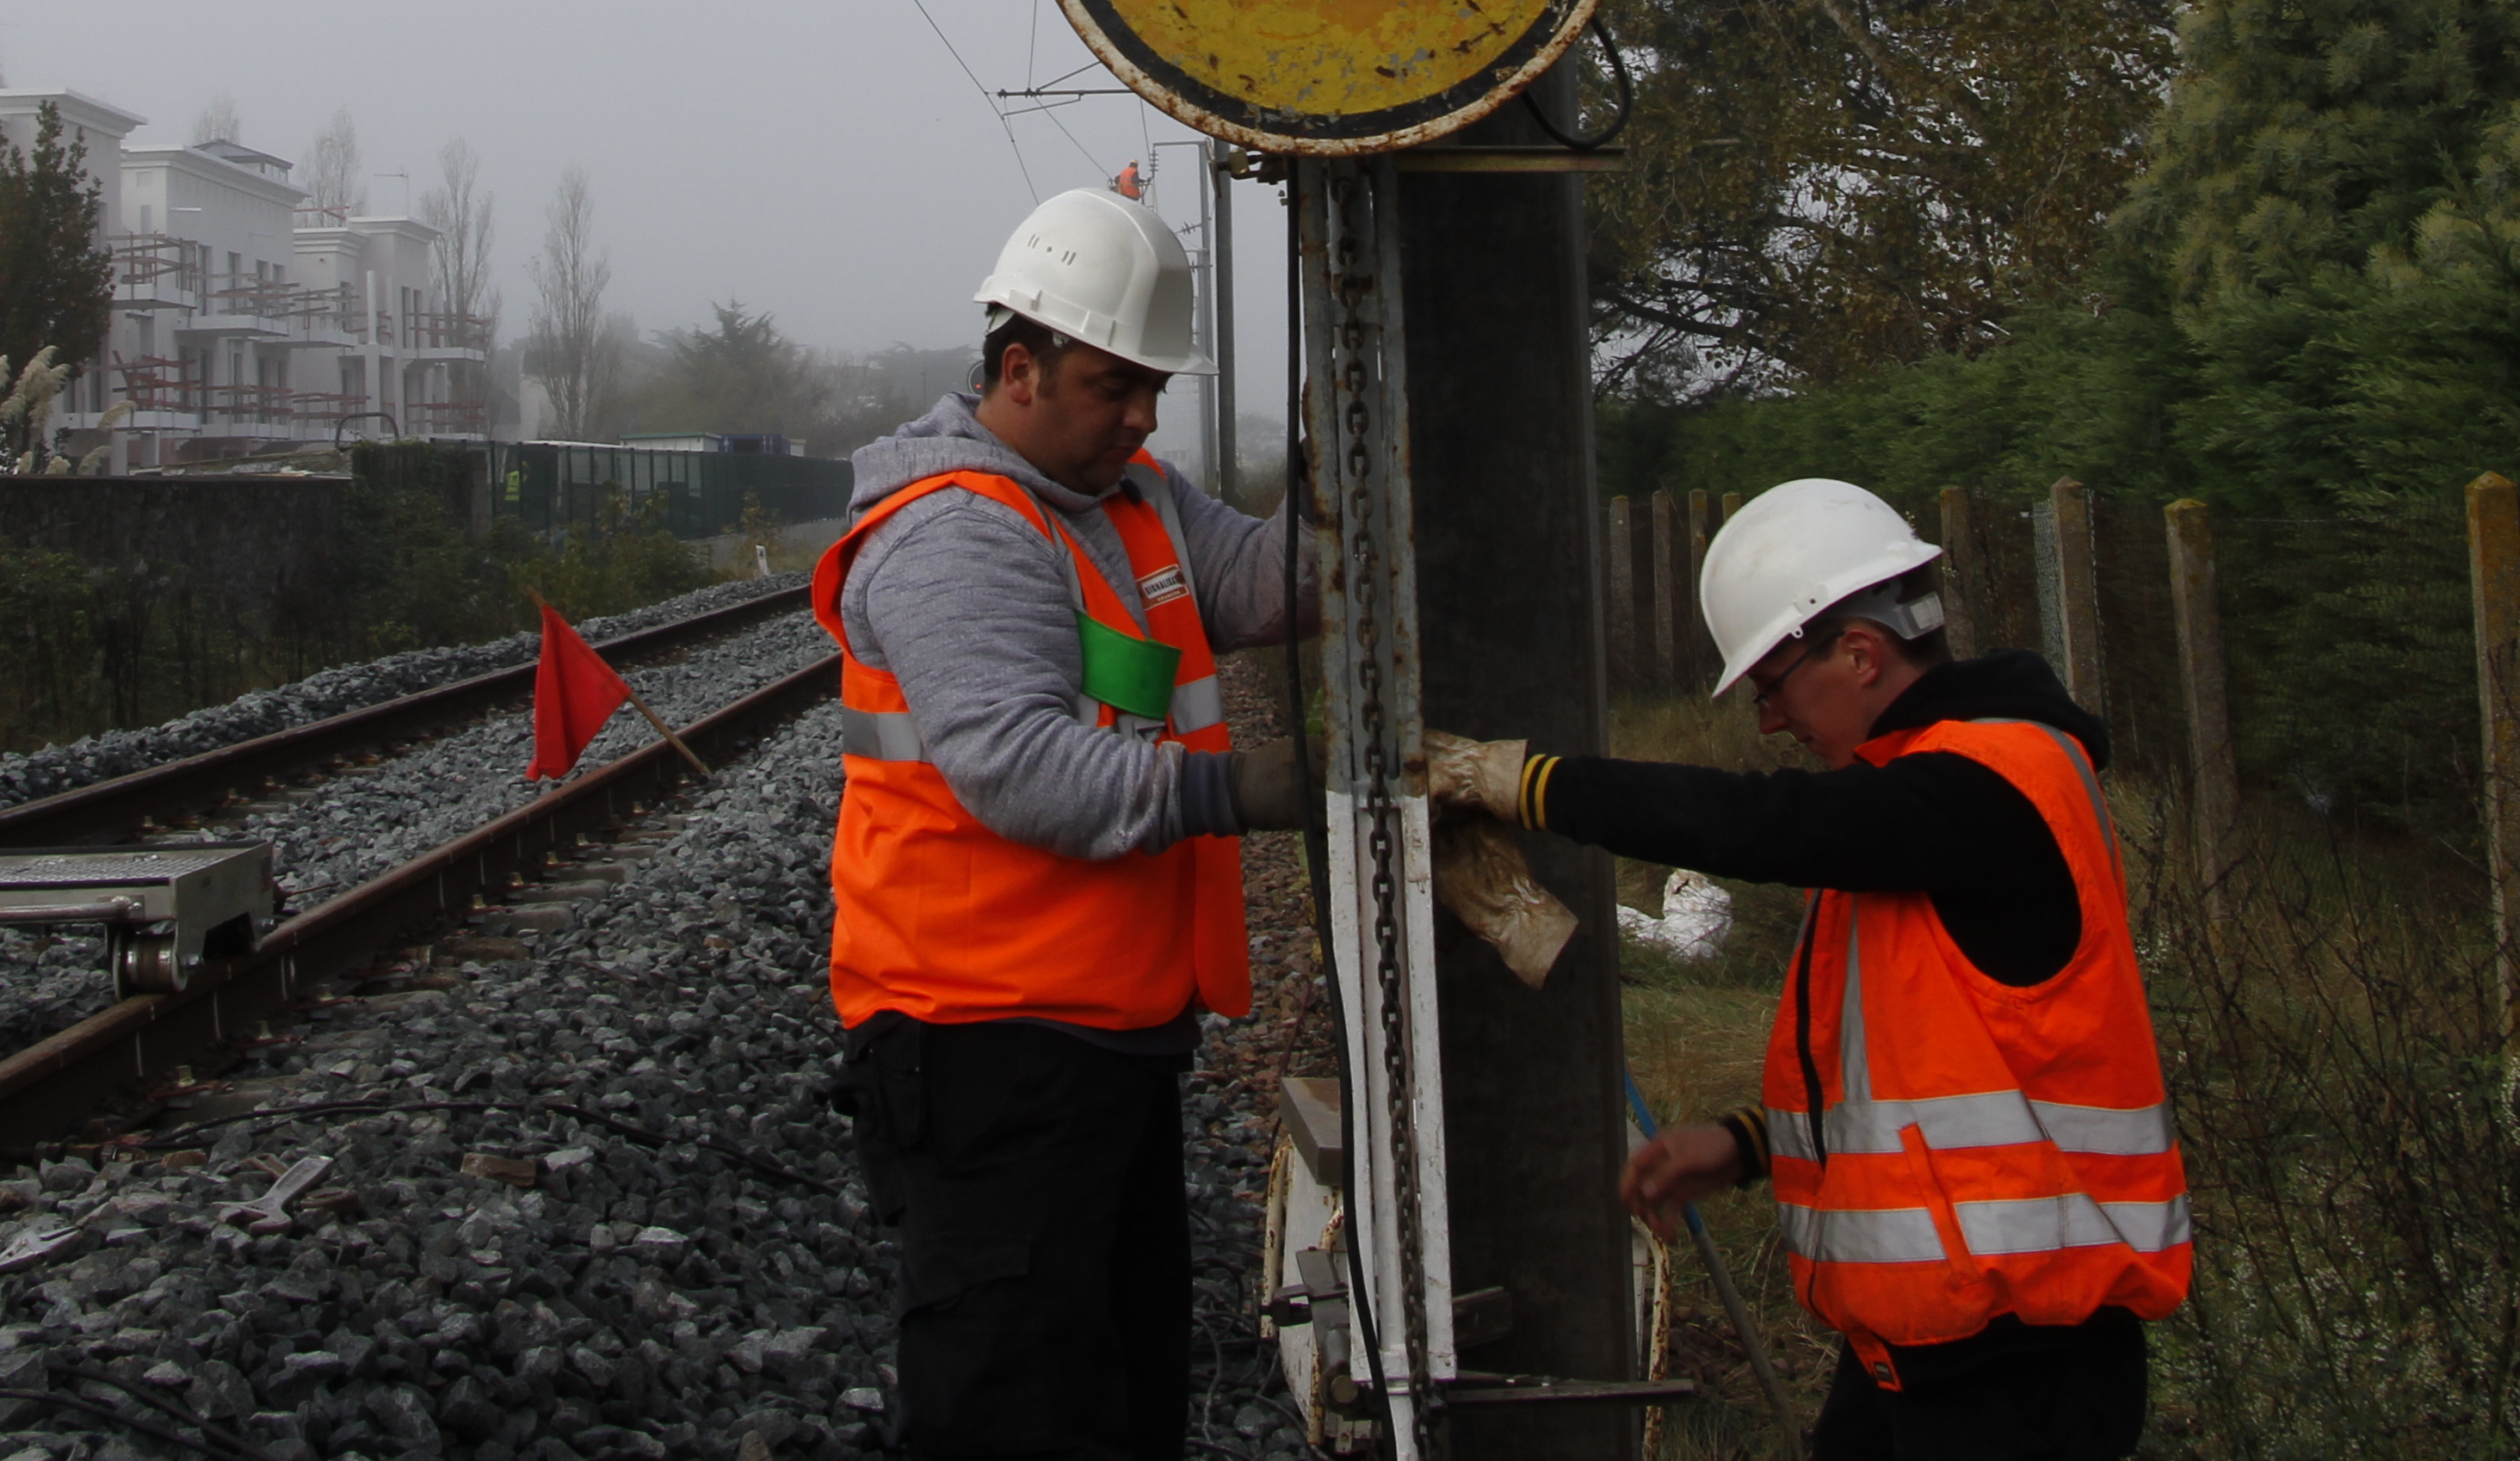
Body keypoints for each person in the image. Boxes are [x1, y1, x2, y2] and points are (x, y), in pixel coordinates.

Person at [1424, 479, 2187, 1461]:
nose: (1772, 721)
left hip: (2021, 1360)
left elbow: (1770, 824)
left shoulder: (1990, 784)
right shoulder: (1927, 798)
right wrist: (1748, 1145)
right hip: (1938, 1340)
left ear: (1860, 654)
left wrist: (1526, 783)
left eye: (1771, 687)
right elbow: (1934, 1077)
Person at [813, 183, 1316, 1461]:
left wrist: (1340, 479)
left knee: (1111, 1384)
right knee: (1011, 1404)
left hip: (1101, 1031)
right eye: (1115, 385)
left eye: (1155, 386)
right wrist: (1240, 789)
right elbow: (1018, 768)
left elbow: (1268, 587)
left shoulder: (1129, 492)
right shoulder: (954, 533)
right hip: (986, 1042)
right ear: (1020, 367)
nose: (1144, 415)